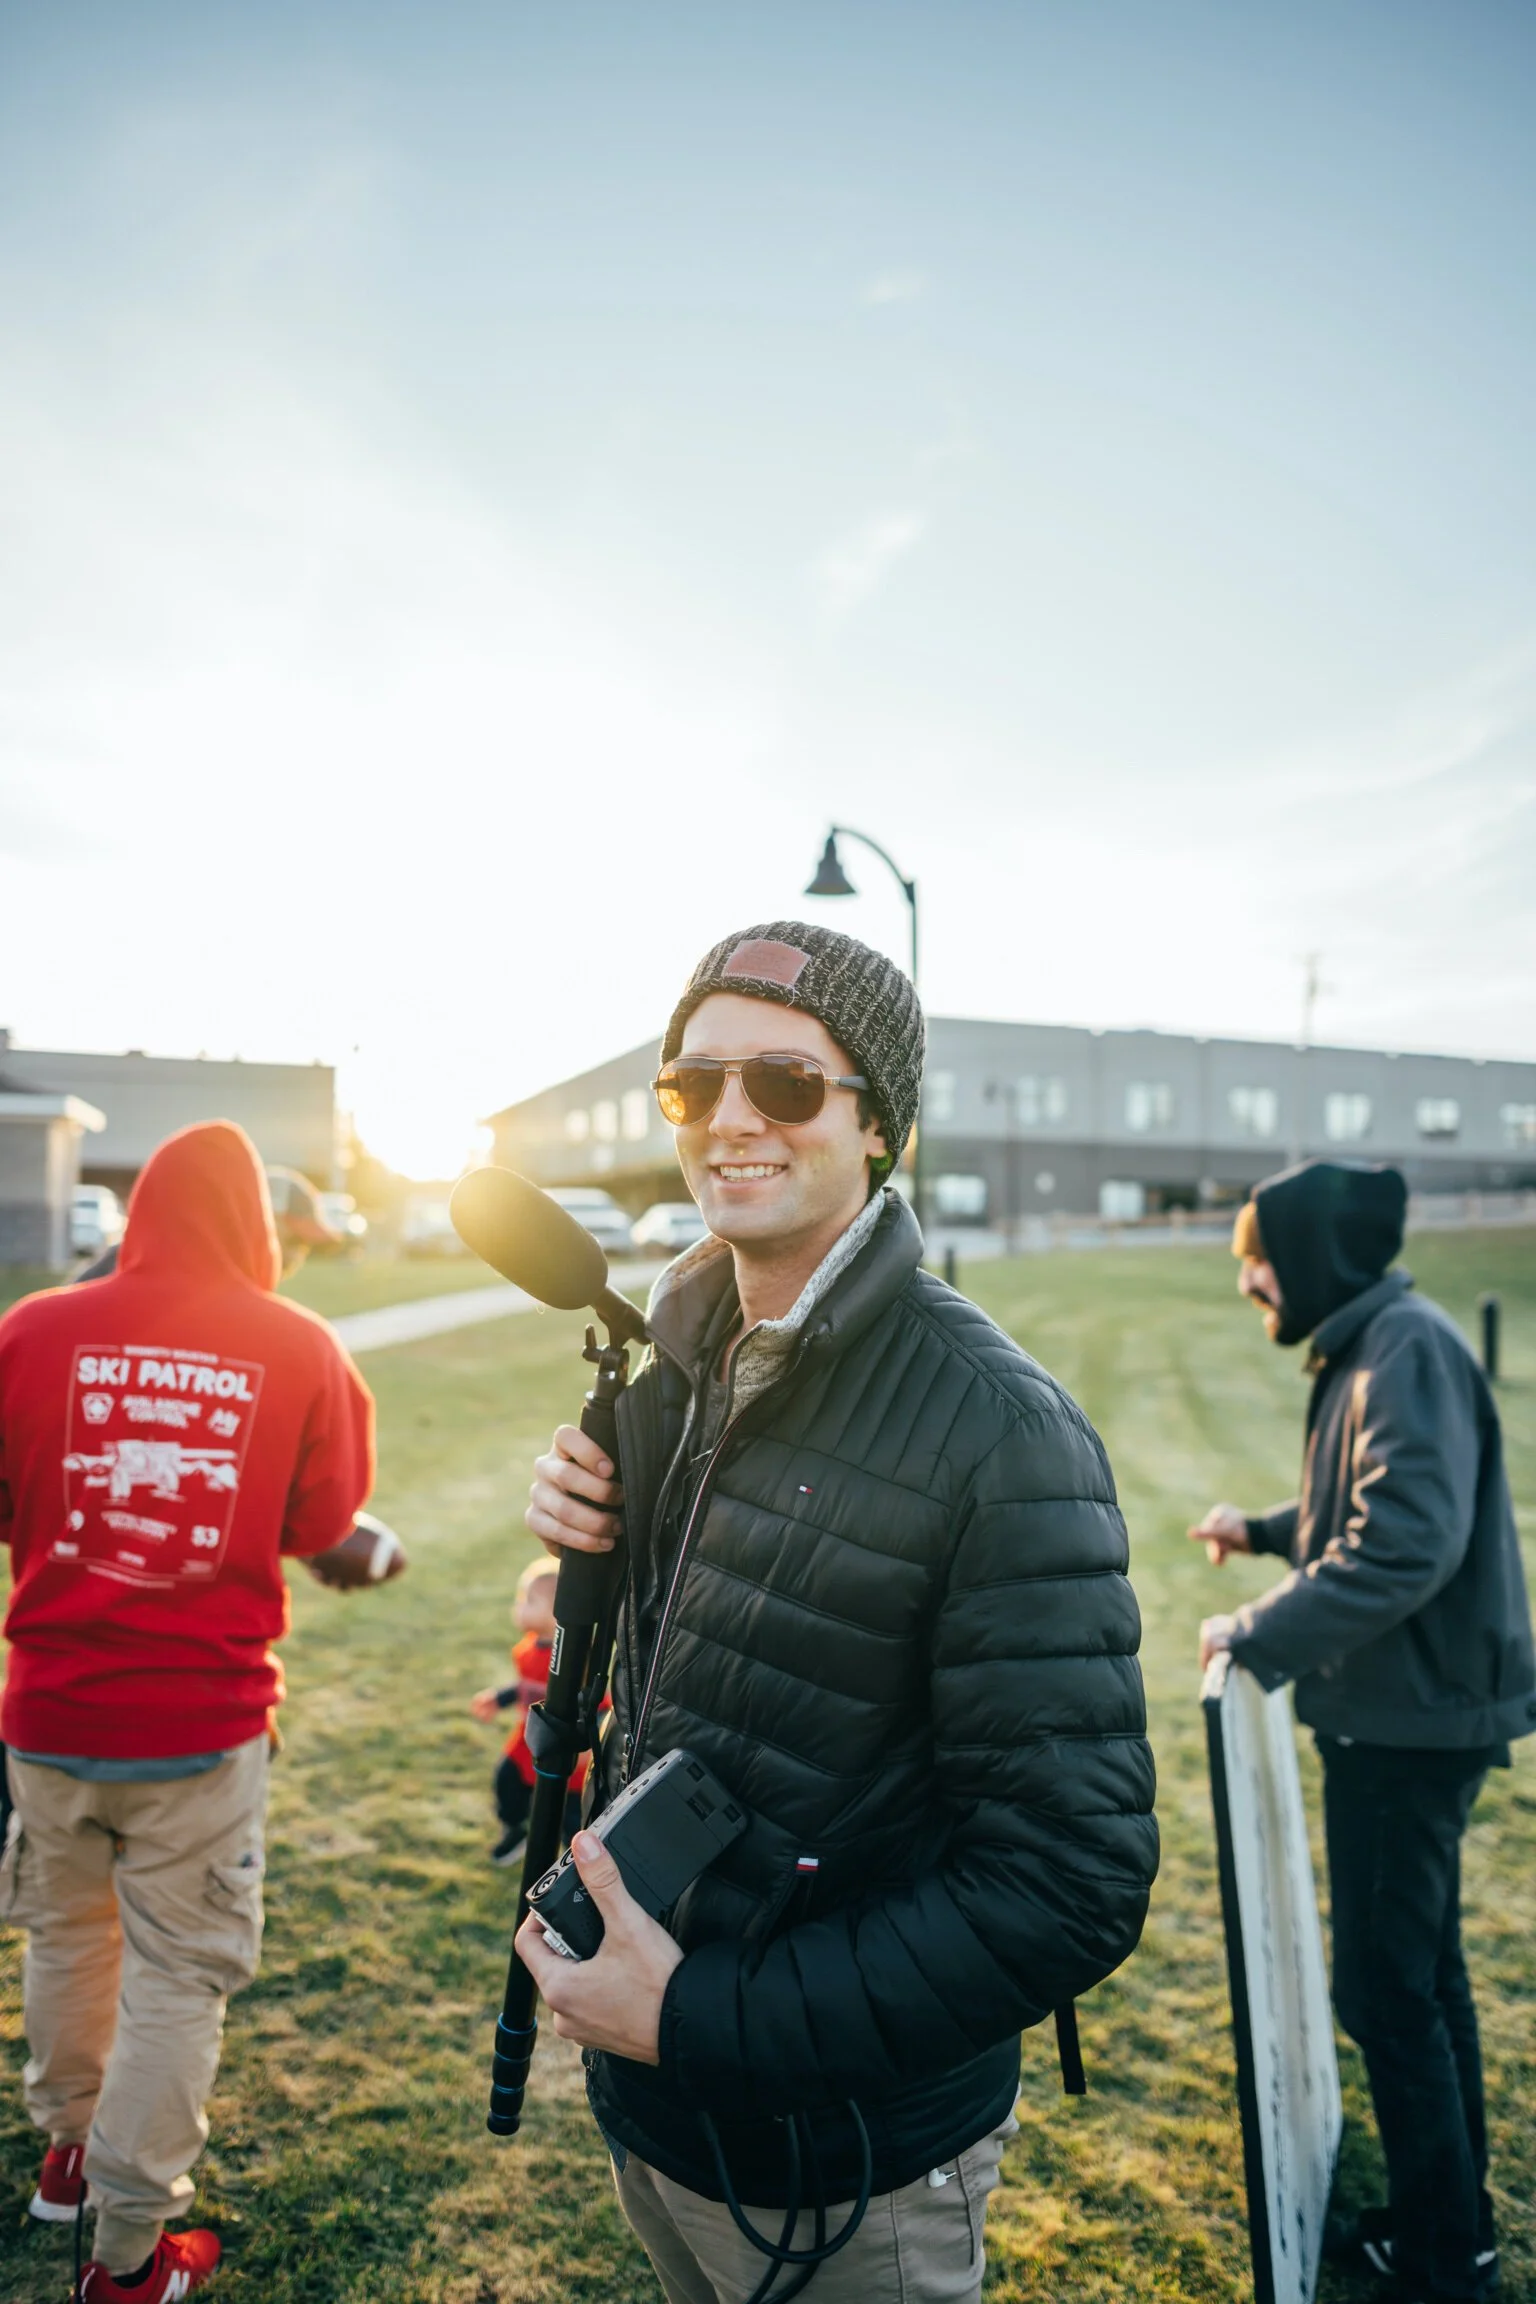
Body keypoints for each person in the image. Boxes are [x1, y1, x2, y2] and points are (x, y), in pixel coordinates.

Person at [517, 921, 1158, 2304]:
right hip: (660, 2122)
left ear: (883, 1131)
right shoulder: (675, 1370)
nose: (730, 1121)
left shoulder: (1004, 1437)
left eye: (788, 1085)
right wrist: (598, 1569)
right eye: (693, 1087)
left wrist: (698, 2019)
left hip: (846, 2172)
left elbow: (1069, 1886)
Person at [0, 1120, 376, 2303]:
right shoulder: (297, 1344)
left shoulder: (30, 1330)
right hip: (197, 1733)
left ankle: (68, 2156)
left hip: (48, 1716)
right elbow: (324, 1525)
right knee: (176, 1974)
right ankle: (126, 2257)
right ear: (254, 1222)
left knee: (67, 1935)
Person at [1191, 1158, 1536, 2304]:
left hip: (1411, 1729)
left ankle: (1448, 2261)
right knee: (1422, 1980)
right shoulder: (1374, 1344)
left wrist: (1254, 1631)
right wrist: (1265, 1529)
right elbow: (1359, 1509)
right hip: (1402, 1717)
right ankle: (1454, 2222)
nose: (1247, 1276)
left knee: (1387, 1994)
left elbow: (1403, 1543)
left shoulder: (1407, 1348)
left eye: (1258, 1253)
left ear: (1310, 1256)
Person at [469, 1558, 586, 1865]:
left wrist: (589, 1740)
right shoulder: (527, 1649)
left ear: (557, 1610)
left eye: (528, 1601)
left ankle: (577, 1866)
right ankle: (514, 1830)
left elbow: (597, 1706)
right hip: (527, 1739)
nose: (518, 1607)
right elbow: (526, 1685)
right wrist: (499, 1698)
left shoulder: (577, 1660)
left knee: (569, 1815)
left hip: (568, 1753)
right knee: (507, 1779)